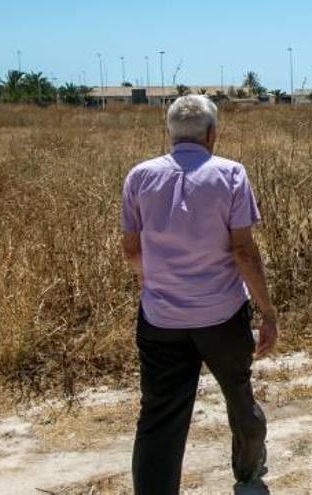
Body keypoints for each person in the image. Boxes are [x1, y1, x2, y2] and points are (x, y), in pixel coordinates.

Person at [121, 95, 278, 495]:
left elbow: (131, 251)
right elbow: (243, 250)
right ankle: (247, 472)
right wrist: (267, 311)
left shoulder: (139, 177)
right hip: (222, 314)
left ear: (169, 132)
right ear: (212, 134)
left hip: (161, 319)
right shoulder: (230, 174)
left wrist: (152, 281)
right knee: (239, 396)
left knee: (158, 415)